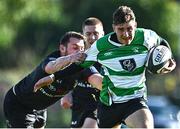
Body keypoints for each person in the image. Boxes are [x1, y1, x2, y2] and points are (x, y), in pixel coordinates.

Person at [34, 6, 176, 128]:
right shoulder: (101, 46)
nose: (126, 34)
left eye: (130, 29)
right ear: (114, 27)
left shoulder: (146, 36)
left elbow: (162, 43)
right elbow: (78, 67)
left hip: (135, 99)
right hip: (109, 103)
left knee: (145, 126)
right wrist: (54, 76)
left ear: (136, 25)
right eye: (121, 30)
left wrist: (170, 60)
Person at [3, 31, 102, 128]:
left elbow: (97, 80)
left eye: (82, 49)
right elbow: (51, 68)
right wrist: (72, 57)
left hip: (40, 109)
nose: (79, 52)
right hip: (18, 103)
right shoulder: (53, 58)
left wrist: (113, 87)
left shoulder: (81, 66)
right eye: (75, 48)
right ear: (62, 48)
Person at [60, 17, 104, 128]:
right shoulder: (78, 57)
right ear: (83, 35)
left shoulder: (109, 58)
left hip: (99, 107)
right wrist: (66, 94)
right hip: (78, 108)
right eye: (88, 34)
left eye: (96, 33)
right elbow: (68, 78)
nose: (92, 37)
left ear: (103, 34)